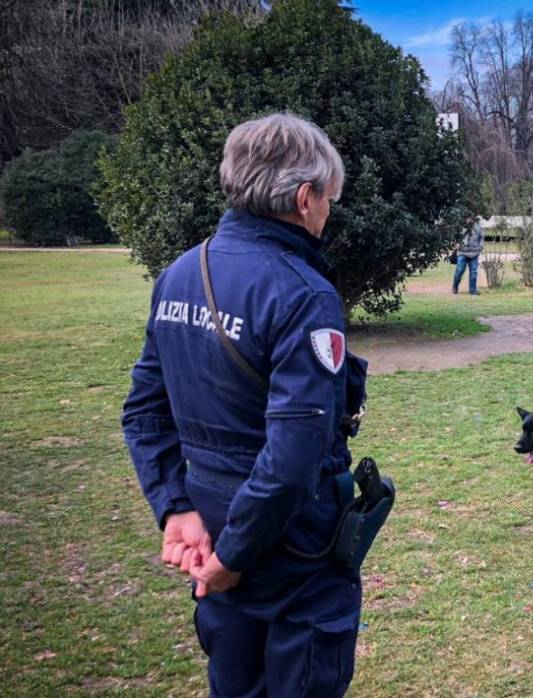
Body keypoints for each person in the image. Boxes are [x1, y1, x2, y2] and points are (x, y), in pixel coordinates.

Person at [122, 113, 369, 695]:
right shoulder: (303, 293)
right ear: (306, 198)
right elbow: (290, 463)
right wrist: (230, 558)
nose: (329, 212)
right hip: (291, 548)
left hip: (210, 523)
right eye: (330, 198)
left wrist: (177, 508)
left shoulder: (181, 273)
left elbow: (143, 413)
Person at [452, 216, 484, 294]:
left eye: (470, 217)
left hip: (474, 253)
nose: (468, 219)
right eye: (467, 217)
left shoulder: (478, 227)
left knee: (473, 272)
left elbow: (481, 237)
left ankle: (473, 290)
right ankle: (455, 286)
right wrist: (456, 244)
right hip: (462, 252)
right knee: (460, 270)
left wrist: (480, 247)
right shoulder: (460, 226)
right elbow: (455, 236)